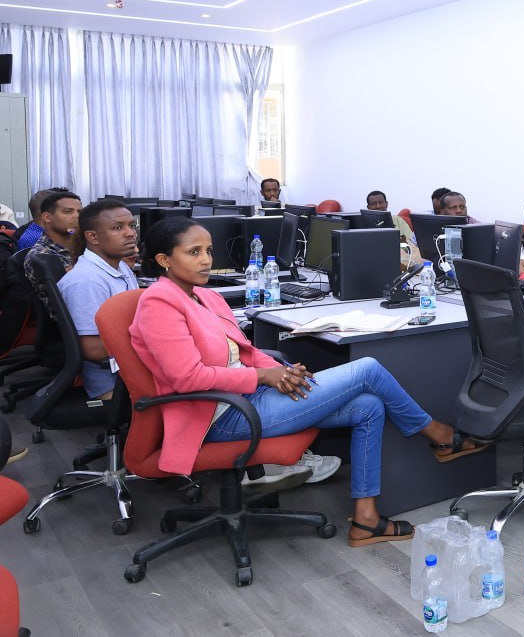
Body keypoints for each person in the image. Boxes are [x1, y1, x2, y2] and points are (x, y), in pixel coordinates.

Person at [129, 218, 488, 546]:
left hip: (249, 396)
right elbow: (187, 377)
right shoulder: (158, 303)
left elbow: (245, 351)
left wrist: (281, 371)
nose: (206, 260)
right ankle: (440, 435)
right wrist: (264, 376)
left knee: (368, 406)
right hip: (219, 415)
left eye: (208, 250)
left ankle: (366, 520)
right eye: (194, 252)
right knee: (368, 369)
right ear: (164, 260)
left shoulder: (204, 295)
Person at [56, 200, 139, 401]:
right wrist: (155, 342)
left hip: (130, 368)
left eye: (131, 225)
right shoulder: (86, 281)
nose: (130, 233)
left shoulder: (120, 266)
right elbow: (92, 349)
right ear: (93, 237)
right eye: (118, 228)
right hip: (112, 381)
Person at [24, 190, 82, 313]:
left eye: (79, 212)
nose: (76, 216)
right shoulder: (42, 255)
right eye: (68, 211)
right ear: (47, 217)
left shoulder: (80, 245)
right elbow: (71, 299)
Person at [366, 190, 421, 269]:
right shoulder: (363, 224)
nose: (378, 206)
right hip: (372, 261)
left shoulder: (397, 220)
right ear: (368, 207)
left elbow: (410, 244)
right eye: (373, 204)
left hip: (398, 260)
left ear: (386, 204)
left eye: (380, 202)